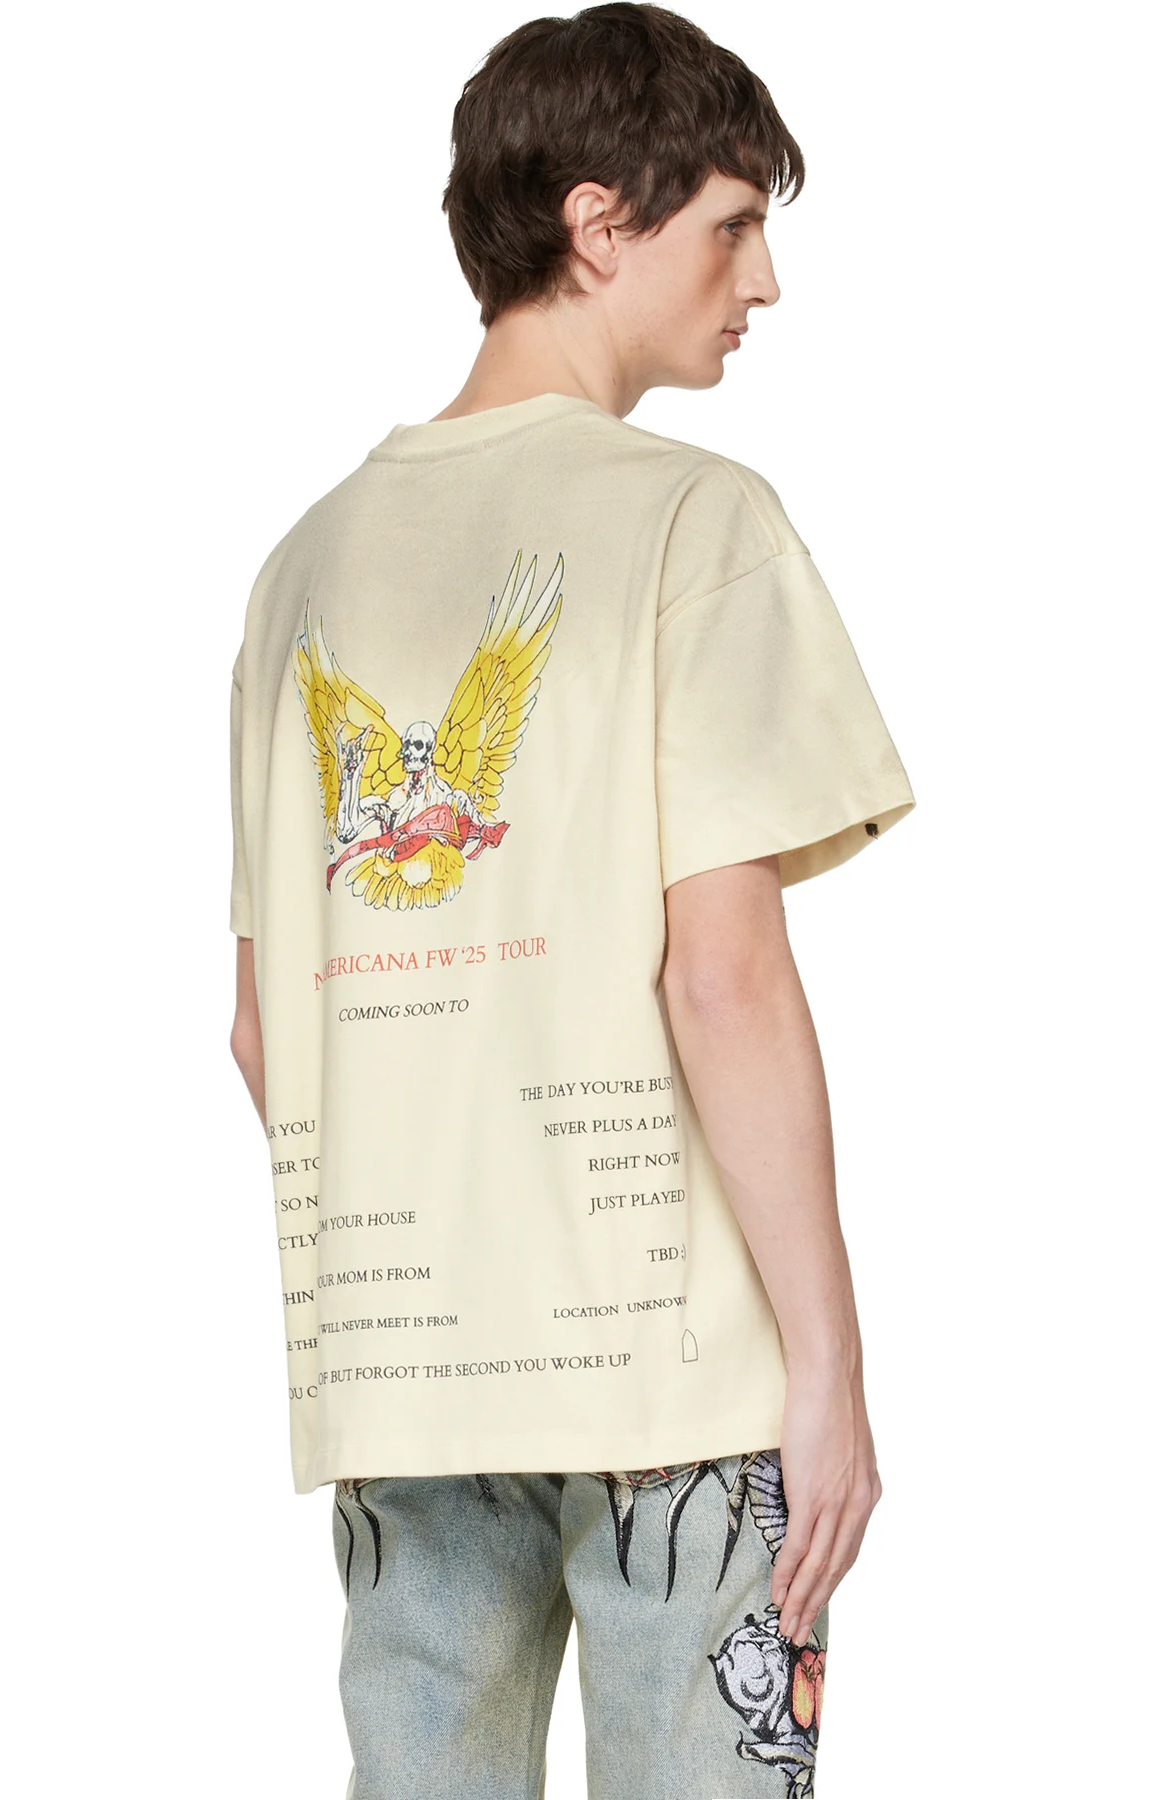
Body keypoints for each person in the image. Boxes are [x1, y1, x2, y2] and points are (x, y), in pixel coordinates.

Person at [227, 6, 915, 1795]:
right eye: (733, 227)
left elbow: (262, 1027)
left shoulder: (300, 569)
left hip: (400, 1378)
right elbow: (724, 978)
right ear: (600, 223)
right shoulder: (695, 522)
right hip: (669, 1369)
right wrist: (829, 1368)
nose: (763, 282)